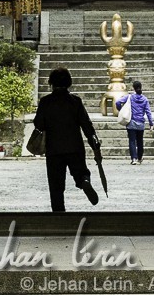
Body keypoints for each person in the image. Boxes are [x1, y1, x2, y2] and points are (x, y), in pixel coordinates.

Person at [31, 67, 101, 212]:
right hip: (74, 146)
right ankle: (84, 181)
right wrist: (94, 143)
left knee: (56, 185)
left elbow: (38, 123)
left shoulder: (45, 102)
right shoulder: (75, 101)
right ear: (69, 82)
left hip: (54, 148)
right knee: (80, 172)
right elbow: (86, 124)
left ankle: (59, 214)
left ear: (51, 82)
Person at [114, 79, 154, 165]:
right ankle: (139, 158)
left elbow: (117, 102)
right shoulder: (145, 99)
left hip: (131, 122)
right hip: (141, 124)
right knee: (140, 141)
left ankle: (134, 159)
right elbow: (148, 112)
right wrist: (151, 123)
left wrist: (121, 110)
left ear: (134, 88)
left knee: (132, 141)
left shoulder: (129, 97)